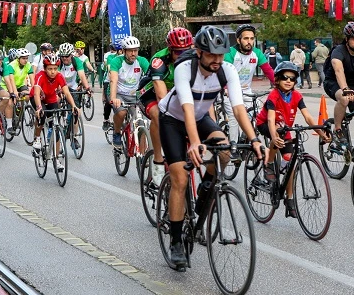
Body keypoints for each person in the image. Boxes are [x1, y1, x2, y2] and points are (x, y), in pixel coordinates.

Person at [157, 26, 263, 269]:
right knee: (181, 178)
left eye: (220, 54)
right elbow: (185, 107)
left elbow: (238, 109)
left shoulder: (227, 70)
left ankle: (205, 195)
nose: (217, 60)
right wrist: (194, 143)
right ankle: (175, 242)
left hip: (201, 117)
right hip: (173, 120)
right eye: (211, 55)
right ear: (198, 52)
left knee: (223, 151)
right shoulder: (186, 69)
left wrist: (254, 139)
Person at [253, 61, 323, 217]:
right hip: (265, 124)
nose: (288, 81)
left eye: (292, 78)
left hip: (284, 128)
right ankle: (269, 165)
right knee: (276, 133)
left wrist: (321, 132)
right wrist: (274, 136)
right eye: (284, 77)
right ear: (277, 79)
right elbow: (270, 120)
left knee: (290, 160)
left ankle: (289, 199)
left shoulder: (297, 96)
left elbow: (308, 117)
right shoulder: (274, 95)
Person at [138, 27, 193, 184]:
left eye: (186, 52)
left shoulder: (195, 57)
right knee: (158, 114)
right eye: (178, 52)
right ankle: (157, 159)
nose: (182, 56)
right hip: (151, 93)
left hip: (177, 91)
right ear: (169, 49)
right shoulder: (159, 60)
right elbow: (162, 98)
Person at [31, 53, 79, 172]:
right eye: (50, 69)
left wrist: (73, 106)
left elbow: (67, 93)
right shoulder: (40, 76)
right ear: (45, 68)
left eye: (55, 69)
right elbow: (36, 93)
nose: (52, 72)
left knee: (56, 130)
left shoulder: (59, 76)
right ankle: (37, 138)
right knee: (41, 117)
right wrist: (38, 108)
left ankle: (56, 159)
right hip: (39, 99)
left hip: (51, 99)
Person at [109, 36, 150, 149]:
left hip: (135, 95)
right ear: (124, 51)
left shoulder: (142, 61)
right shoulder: (116, 61)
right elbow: (113, 80)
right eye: (130, 50)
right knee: (121, 113)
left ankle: (143, 158)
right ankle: (117, 133)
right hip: (119, 94)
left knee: (141, 123)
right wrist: (113, 98)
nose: (133, 53)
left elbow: (151, 78)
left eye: (135, 50)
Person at [57, 42, 92, 146]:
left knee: (76, 112)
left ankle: (74, 136)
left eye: (66, 56)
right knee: (57, 100)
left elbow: (81, 75)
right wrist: (59, 90)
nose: (64, 58)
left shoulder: (76, 61)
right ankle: (57, 117)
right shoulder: (59, 63)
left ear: (71, 55)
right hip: (60, 85)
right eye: (62, 56)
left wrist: (87, 88)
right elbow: (56, 77)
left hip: (72, 86)